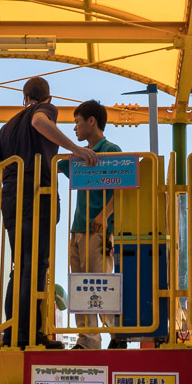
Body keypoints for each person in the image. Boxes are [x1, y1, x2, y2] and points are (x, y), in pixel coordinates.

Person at [0, 76, 96, 348]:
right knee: (36, 267)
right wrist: (75, 149)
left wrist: (13, 181)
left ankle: (14, 333)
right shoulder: (45, 110)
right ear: (48, 97)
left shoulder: (8, 125)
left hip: (12, 198)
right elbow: (38, 122)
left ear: (24, 97)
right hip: (38, 196)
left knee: (20, 267)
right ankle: (28, 335)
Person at [56, 101, 124, 350]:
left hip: (98, 230)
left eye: (77, 121)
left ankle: (117, 335)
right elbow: (57, 163)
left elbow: (122, 189)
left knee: (100, 283)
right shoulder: (80, 155)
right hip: (78, 228)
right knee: (81, 286)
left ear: (91, 121)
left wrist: (104, 215)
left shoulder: (111, 150)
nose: (74, 128)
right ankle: (88, 339)